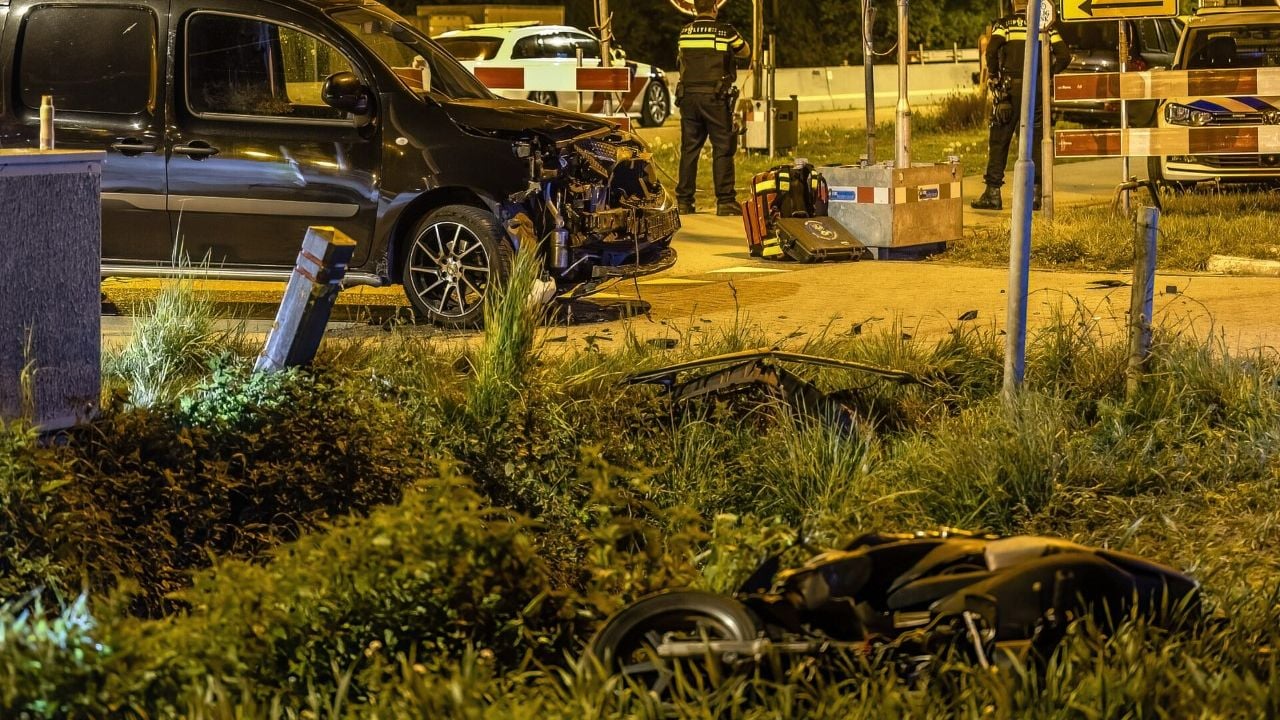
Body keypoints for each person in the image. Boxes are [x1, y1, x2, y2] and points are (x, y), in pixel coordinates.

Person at [971, 0, 1071, 211]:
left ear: (1013, 3)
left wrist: (995, 77)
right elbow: (1064, 55)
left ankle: (993, 194)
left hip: (1009, 91)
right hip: (1035, 90)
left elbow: (991, 51)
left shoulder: (1004, 25)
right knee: (1034, 139)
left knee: (999, 140)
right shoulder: (1044, 25)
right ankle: (1035, 194)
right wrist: (1046, 74)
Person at [676, 0, 751, 216]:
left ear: (694, 8)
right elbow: (745, 51)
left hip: (688, 97)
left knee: (689, 149)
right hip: (715, 98)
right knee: (723, 147)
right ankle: (725, 201)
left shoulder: (685, 32)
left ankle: (684, 201)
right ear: (715, 8)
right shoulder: (725, 31)